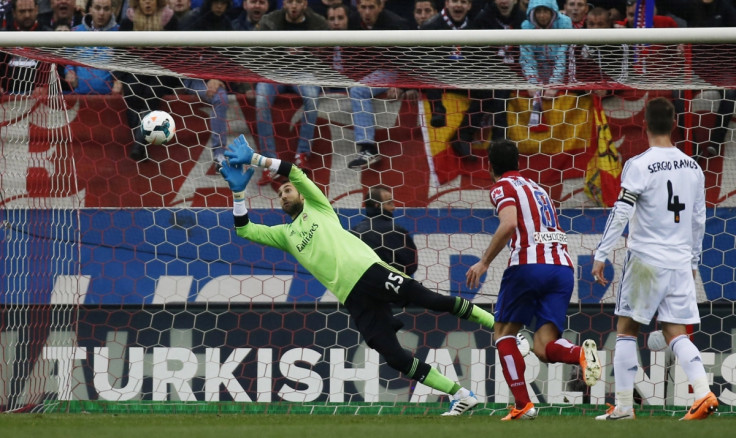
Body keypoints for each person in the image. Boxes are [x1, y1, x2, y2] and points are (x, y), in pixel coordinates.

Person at [218, 134, 496, 416]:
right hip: (352, 296)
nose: (283, 195)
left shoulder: (318, 207)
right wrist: (238, 194)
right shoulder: (285, 235)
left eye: (287, 191)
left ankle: (500, 327)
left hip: (369, 271)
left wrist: (256, 159)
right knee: (394, 356)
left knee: (431, 300)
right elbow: (245, 230)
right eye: (280, 195)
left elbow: (294, 171)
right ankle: (460, 394)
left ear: (302, 194)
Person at [591, 97, 717, 421]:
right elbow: (699, 219)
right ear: (674, 124)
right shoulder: (693, 167)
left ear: (643, 124)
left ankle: (622, 407)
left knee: (626, 330)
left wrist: (601, 253)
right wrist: (693, 263)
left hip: (646, 260)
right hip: (679, 261)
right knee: (677, 333)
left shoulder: (639, 164)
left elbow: (622, 211)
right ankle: (703, 393)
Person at [465, 139, 601, 421]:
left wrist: (484, 261)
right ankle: (580, 355)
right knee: (542, 346)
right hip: (562, 267)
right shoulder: (538, 189)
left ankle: (524, 405)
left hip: (529, 265)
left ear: (490, 166)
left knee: (504, 333)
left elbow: (510, 223)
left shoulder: (502, 186)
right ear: (518, 162)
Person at [253, 0, 327, 185]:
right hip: (273, 72)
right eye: (290, 1)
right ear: (284, 3)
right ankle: (270, 163)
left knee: (312, 97)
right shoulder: (269, 21)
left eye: (298, 1)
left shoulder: (319, 23)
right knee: (261, 101)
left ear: (305, 4)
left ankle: (302, 153)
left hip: (304, 72)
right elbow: (257, 53)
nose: (294, 5)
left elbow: (325, 57)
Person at [345, 0, 410, 170]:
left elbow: (409, 60)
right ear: (357, 7)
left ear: (381, 7)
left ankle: (368, 148)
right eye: (363, 7)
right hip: (367, 73)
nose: (367, 12)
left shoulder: (395, 24)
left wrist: (400, 85)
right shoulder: (352, 22)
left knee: (358, 91)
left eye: (371, 7)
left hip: (392, 72)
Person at [116, 0, 180, 161]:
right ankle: (141, 144)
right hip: (135, 68)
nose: (147, 2)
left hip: (162, 70)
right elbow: (118, 53)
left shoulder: (170, 19)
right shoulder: (128, 20)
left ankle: (138, 145)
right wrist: (119, 78)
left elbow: (177, 54)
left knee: (151, 92)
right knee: (132, 91)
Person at [181, 0, 233, 162]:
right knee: (220, 98)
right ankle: (219, 153)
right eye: (216, 3)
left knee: (221, 98)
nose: (219, 6)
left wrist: (217, 77)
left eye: (223, 4)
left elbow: (230, 58)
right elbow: (183, 58)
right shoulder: (192, 21)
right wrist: (208, 77)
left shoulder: (227, 24)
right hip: (191, 77)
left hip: (216, 79)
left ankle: (219, 155)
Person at [351, 186, 418, 276]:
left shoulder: (354, 232)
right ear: (377, 205)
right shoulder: (396, 231)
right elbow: (411, 265)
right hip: (392, 286)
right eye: (390, 203)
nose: (394, 207)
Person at [65, 0, 123, 95]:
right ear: (90, 9)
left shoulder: (120, 32)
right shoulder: (76, 31)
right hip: (79, 96)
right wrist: (69, 71)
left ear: (112, 10)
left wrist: (120, 80)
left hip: (110, 97)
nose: (101, 13)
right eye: (97, 8)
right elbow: (68, 57)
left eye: (106, 9)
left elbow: (125, 63)